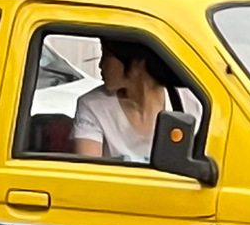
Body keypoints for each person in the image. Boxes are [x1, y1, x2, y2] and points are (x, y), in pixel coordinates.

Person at [71, 38, 203, 164]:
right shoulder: (92, 106)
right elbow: (90, 177)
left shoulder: (193, 103)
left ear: (137, 63)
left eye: (106, 55)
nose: (100, 65)